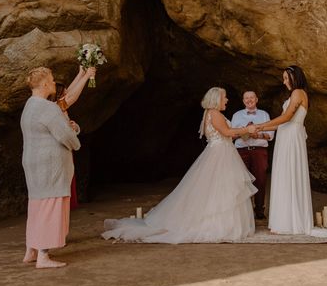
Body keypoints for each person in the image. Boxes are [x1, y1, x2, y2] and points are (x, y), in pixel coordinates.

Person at [102, 87, 258, 243]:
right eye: (224, 97)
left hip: (220, 152)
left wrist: (245, 132)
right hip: (220, 155)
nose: (227, 100)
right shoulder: (214, 113)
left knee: (217, 189)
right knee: (221, 189)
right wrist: (246, 128)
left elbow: (227, 133)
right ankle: (220, 226)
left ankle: (224, 224)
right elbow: (227, 132)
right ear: (217, 99)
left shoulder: (209, 114)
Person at [256, 66, 327, 239]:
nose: (284, 81)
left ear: (294, 77)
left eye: (286, 78)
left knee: (290, 174)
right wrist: (262, 129)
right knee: (284, 175)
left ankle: (290, 222)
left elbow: (286, 118)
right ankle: (283, 221)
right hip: (286, 135)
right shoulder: (295, 94)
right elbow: (280, 123)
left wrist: (261, 125)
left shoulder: (298, 93)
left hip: (292, 137)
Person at [21, 67, 81, 268]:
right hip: (50, 166)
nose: (55, 84)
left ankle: (31, 249)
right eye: (53, 80)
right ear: (45, 84)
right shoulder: (48, 108)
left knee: (37, 206)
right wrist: (76, 142)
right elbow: (64, 135)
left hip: (33, 163)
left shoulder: (30, 105)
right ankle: (43, 256)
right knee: (51, 207)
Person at [50, 66, 95, 209]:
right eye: (62, 94)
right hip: (57, 152)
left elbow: (68, 93)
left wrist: (81, 73)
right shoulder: (56, 106)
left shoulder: (58, 105)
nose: (65, 94)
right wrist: (87, 76)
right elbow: (72, 97)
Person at [231, 91, 274, 220]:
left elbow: (270, 135)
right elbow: (232, 135)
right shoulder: (237, 115)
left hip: (259, 151)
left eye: (252, 97)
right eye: (246, 98)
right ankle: (244, 212)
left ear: (256, 99)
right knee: (241, 181)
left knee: (260, 180)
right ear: (243, 101)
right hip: (241, 151)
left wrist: (258, 135)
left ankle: (259, 210)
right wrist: (245, 132)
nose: (249, 100)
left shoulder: (264, 115)